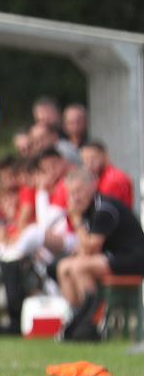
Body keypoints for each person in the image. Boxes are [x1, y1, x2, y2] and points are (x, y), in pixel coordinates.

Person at [56, 168, 144, 338]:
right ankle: (76, 317)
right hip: (113, 256)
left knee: (80, 267)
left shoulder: (104, 208)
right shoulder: (87, 210)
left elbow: (92, 248)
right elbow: (85, 248)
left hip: (134, 258)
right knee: (64, 266)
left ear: (92, 187)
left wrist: (77, 222)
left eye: (79, 191)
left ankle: (92, 321)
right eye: (71, 193)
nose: (75, 197)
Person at [80, 140, 133, 209]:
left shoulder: (113, 180)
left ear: (105, 156)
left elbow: (104, 210)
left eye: (93, 158)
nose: (89, 164)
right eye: (85, 160)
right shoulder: (100, 178)